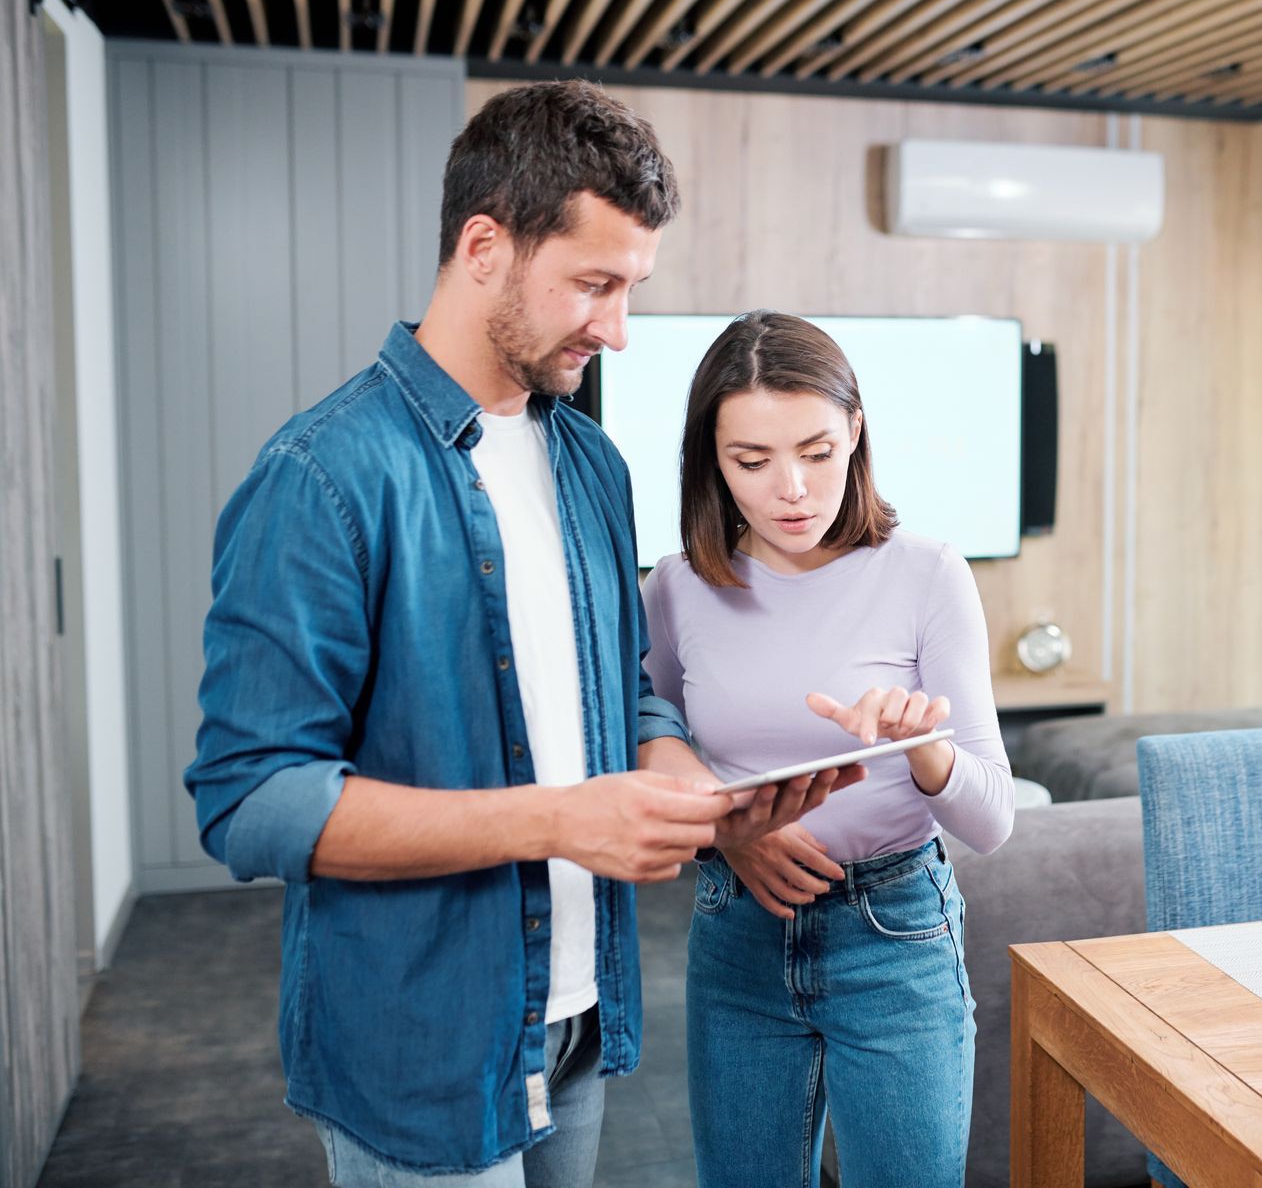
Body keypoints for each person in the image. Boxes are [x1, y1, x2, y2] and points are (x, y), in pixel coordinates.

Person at [184, 83, 856, 1188]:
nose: (617, 328)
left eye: (631, 287)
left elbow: (624, 689)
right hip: (424, 1044)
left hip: (580, 1017)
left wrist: (688, 785)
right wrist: (558, 818)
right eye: (592, 284)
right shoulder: (323, 475)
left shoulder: (591, 464)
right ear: (484, 245)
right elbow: (251, 798)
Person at [639, 309, 1016, 1188]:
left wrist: (926, 750)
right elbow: (650, 754)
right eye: (752, 461)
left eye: (815, 451)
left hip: (894, 935)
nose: (793, 490)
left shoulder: (927, 573)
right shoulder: (678, 587)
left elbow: (993, 820)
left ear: (855, 429)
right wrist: (729, 830)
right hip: (737, 931)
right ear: (711, 459)